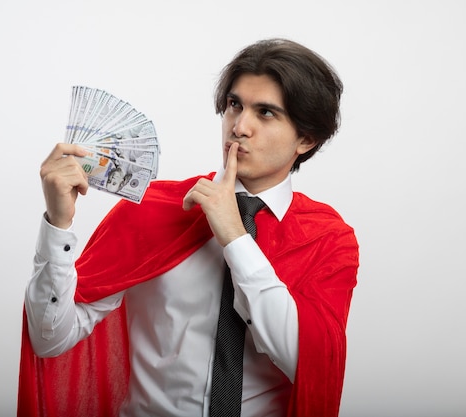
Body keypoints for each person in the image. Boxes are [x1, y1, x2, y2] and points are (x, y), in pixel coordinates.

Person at [18, 38, 359, 417]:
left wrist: (235, 238)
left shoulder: (328, 239)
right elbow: (50, 339)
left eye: (265, 113)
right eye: (235, 105)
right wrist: (58, 224)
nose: (240, 127)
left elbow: (309, 366)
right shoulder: (152, 210)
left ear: (306, 139)